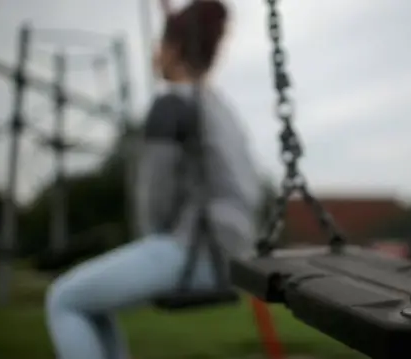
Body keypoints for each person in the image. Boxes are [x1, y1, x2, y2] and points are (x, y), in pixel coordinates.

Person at [45, 1, 262, 358]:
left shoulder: (170, 106)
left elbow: (154, 200)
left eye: (159, 44)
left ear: (173, 49)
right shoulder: (220, 108)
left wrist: (150, 243)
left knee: (63, 299)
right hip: (235, 254)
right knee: (94, 304)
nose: (154, 52)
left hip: (195, 251)